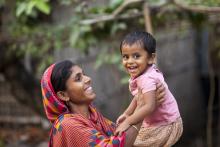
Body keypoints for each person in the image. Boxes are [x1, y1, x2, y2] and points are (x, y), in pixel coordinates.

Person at [41, 59, 165, 147]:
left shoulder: (93, 116)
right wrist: (142, 110)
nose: (88, 79)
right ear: (63, 95)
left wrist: (143, 104)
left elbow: (120, 134)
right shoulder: (67, 125)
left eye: (84, 74)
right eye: (78, 78)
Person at [115, 31, 183, 147]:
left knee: (131, 143)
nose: (130, 61)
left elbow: (149, 106)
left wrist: (128, 121)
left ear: (151, 58)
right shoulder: (143, 73)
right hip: (159, 122)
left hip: (165, 125)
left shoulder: (147, 79)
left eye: (136, 56)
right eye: (126, 57)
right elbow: (139, 97)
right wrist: (127, 113)